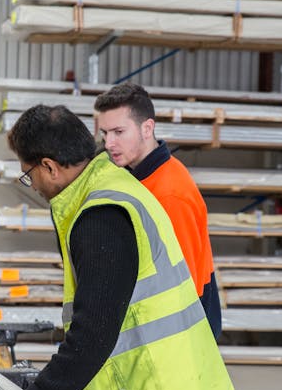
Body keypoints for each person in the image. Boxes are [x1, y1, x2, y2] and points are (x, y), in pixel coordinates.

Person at [0, 104, 242, 390]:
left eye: (28, 174)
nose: (31, 183)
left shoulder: (100, 213)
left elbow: (94, 335)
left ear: (49, 166)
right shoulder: (110, 186)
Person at [94, 82, 222, 338]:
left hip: (181, 331)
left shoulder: (170, 194)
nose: (109, 143)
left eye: (119, 132)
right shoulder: (137, 176)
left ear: (147, 128)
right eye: (104, 133)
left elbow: (183, 286)